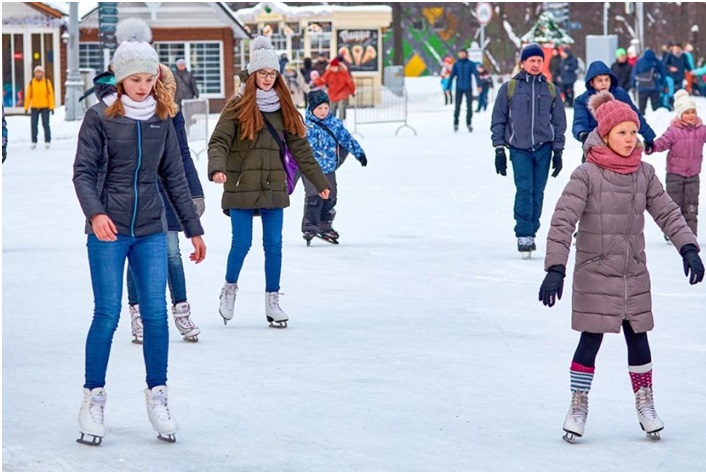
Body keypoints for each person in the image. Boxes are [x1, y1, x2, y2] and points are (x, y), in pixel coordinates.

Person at [539, 90, 704, 444]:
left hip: (632, 272)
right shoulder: (586, 174)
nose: (630, 140)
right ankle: (578, 403)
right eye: (621, 133)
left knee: (638, 338)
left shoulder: (643, 174)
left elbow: (667, 211)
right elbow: (562, 221)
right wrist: (556, 268)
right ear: (605, 135)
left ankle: (645, 402)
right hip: (595, 271)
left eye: (633, 132)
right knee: (590, 339)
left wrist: (688, 246)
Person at [72, 28, 206, 446]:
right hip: (108, 229)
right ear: (120, 78)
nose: (144, 86)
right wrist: (94, 213)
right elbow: (83, 173)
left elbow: (173, 176)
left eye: (149, 78)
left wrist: (193, 228)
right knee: (108, 314)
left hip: (150, 227)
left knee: (154, 315)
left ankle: (158, 395)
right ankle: (93, 397)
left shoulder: (162, 118)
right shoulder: (100, 117)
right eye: (136, 79)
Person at [207, 36, 330, 329]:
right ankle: (229, 288)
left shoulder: (284, 108)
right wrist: (217, 169)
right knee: (242, 243)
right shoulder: (237, 106)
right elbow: (219, 141)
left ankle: (272, 300)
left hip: (273, 184)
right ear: (252, 75)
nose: (267, 78)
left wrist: (320, 181)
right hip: (240, 184)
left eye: (272, 74)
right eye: (262, 73)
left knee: (274, 245)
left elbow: (301, 149)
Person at [491, 42, 567, 258]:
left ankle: (532, 230)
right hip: (519, 148)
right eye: (531, 60)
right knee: (524, 189)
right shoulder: (510, 88)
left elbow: (559, 122)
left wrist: (558, 151)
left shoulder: (550, 89)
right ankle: (523, 234)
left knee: (538, 192)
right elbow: (498, 119)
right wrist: (499, 149)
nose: (535, 64)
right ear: (523, 63)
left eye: (539, 60)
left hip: (543, 148)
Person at [302, 90, 367, 245]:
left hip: (329, 168)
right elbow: (297, 148)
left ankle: (324, 226)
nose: (323, 111)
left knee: (330, 198)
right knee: (314, 198)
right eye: (319, 108)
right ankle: (310, 227)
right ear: (311, 109)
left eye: (326, 108)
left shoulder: (335, 124)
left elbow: (347, 140)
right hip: (311, 169)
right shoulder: (306, 127)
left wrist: (359, 154)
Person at [646, 89, 706, 238]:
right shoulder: (673, 131)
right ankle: (673, 232)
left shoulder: (701, 130)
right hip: (674, 174)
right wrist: (652, 147)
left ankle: (690, 234)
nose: (691, 115)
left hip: (693, 174)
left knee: (691, 205)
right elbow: (662, 142)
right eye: (687, 113)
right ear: (680, 115)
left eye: (693, 112)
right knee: (675, 204)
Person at [573, 60, 656, 160]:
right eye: (600, 80)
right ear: (591, 82)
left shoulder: (620, 95)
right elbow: (579, 121)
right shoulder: (582, 101)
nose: (604, 83)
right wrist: (582, 134)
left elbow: (635, 117)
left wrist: (649, 137)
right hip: (596, 146)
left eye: (606, 80)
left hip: (620, 144)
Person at [445, 48, 481, 132]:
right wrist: (448, 87)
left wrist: (479, 85)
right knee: (457, 106)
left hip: (468, 87)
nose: (461, 55)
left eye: (463, 53)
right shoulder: (456, 64)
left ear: (466, 54)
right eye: (460, 53)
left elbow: (476, 75)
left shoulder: (471, 64)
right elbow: (452, 76)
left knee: (469, 106)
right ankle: (456, 123)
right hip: (459, 88)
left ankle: (469, 123)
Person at [24, 65, 54, 149]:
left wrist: (51, 107)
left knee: (45, 124)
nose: (38, 74)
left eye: (39, 72)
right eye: (36, 72)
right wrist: (26, 108)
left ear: (42, 73)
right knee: (34, 125)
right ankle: (34, 141)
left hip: (45, 106)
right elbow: (28, 96)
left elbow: (50, 95)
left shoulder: (47, 82)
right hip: (34, 106)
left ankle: (47, 140)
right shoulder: (31, 83)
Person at [631, 48, 666, 115]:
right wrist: (662, 84)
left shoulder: (639, 62)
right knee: (657, 108)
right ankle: (658, 121)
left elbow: (633, 74)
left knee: (641, 108)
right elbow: (663, 73)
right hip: (655, 88)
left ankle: (642, 121)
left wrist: (633, 85)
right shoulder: (656, 61)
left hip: (642, 88)